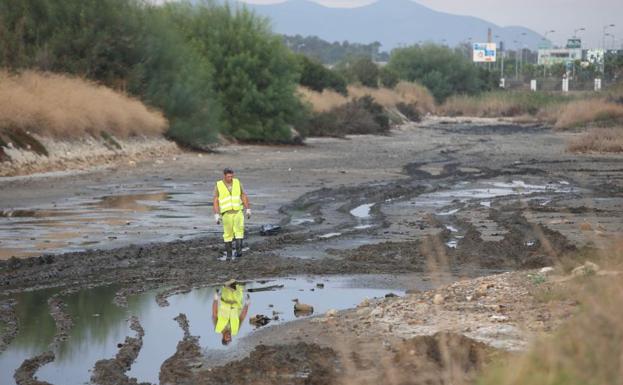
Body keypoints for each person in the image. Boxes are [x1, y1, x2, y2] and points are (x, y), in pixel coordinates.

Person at [213, 168, 251, 260]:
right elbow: (216, 200)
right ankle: (229, 255)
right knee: (228, 234)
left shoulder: (237, 182)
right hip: (226, 213)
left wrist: (248, 208)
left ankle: (239, 253)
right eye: (228, 176)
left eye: (231, 176)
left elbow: (243, 195)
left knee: (239, 231)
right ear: (224, 176)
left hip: (238, 211)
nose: (230, 178)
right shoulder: (219, 185)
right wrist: (216, 214)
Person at [212, 280, 250, 345]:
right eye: (230, 337)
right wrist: (246, 304)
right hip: (237, 301)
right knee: (239, 283)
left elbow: (214, 313)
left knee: (229, 282)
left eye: (227, 337)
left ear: (223, 337)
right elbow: (242, 317)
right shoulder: (235, 331)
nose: (229, 336)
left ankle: (228, 283)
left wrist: (215, 299)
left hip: (226, 300)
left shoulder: (217, 328)